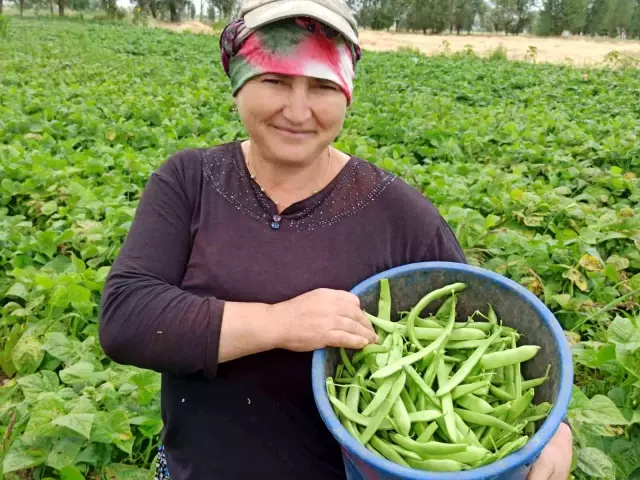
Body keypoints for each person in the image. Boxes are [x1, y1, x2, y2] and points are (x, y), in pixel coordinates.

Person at [98, 0, 572, 478]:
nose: (298, 110)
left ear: (346, 94)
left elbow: (482, 334)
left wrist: (554, 427)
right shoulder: (189, 180)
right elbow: (128, 319)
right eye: (274, 80)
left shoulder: (399, 214)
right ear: (239, 83)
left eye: (322, 85)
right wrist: (280, 323)